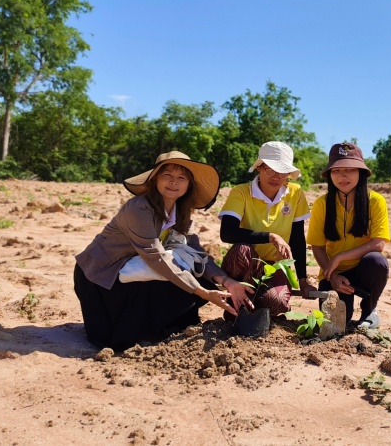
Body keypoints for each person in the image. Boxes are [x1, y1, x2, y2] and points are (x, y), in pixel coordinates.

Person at [74, 151, 244, 352]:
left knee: (196, 268)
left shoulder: (180, 211)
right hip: (101, 275)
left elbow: (196, 251)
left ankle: (162, 326)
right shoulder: (139, 208)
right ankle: (131, 330)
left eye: (181, 178)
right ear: (155, 179)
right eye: (167, 175)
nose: (174, 182)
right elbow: (156, 257)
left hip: (135, 268)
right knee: (182, 269)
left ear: (188, 185)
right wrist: (203, 293)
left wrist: (227, 281)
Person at [218, 141, 314, 317]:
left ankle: (255, 307)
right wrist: (270, 236)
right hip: (246, 263)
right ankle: (235, 307)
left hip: (274, 265)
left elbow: (298, 239)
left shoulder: (295, 193)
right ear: (259, 167)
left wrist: (303, 280)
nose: (276, 177)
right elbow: (227, 233)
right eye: (270, 170)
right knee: (242, 250)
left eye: (282, 173)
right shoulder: (241, 192)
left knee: (276, 303)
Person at [306, 143, 390, 329]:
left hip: (363, 269)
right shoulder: (322, 204)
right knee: (336, 324)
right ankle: (345, 303)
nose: (342, 176)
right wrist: (333, 275)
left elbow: (378, 244)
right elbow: (317, 247)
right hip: (333, 273)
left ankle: (369, 310)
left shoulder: (375, 201)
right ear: (330, 174)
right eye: (336, 170)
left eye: (350, 169)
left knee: (377, 262)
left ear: (361, 172)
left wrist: (340, 256)